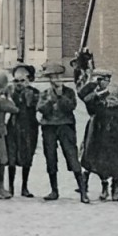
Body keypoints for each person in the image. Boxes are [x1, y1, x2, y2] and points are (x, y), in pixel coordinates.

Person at [36, 63, 87, 203]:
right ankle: (54, 190)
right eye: (53, 77)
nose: (56, 80)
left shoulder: (69, 92)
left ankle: (83, 191)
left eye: (59, 77)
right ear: (49, 80)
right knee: (50, 157)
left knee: (72, 156)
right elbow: (41, 109)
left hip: (65, 126)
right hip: (49, 127)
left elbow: (71, 106)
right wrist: (51, 99)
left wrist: (60, 97)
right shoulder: (45, 93)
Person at [82, 83, 118, 201]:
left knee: (117, 168)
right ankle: (104, 189)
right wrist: (98, 94)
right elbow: (88, 101)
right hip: (103, 144)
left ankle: (115, 190)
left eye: (114, 99)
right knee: (102, 167)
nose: (111, 102)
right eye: (109, 99)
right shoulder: (101, 110)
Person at [5, 63, 40, 198]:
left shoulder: (34, 92)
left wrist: (27, 93)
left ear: (29, 79)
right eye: (16, 80)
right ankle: (11, 187)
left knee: (27, 156)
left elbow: (36, 106)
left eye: (22, 80)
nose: (19, 83)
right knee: (11, 156)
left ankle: (24, 187)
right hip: (12, 126)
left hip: (29, 127)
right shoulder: (9, 91)